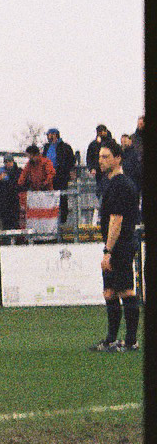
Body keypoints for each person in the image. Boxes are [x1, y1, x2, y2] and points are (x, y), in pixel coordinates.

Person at [92, 142, 141, 352]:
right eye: (100, 157)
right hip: (113, 245)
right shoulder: (109, 183)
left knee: (126, 291)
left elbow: (116, 220)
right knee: (109, 292)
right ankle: (111, 339)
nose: (101, 160)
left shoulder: (121, 184)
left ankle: (131, 341)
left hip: (121, 245)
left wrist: (108, 251)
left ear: (118, 158)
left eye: (106, 156)